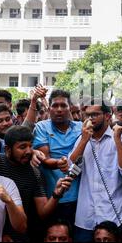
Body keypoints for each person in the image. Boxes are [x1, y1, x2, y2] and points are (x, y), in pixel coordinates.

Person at [68, 98, 122, 242]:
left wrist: (117, 139)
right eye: (87, 115)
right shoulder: (82, 139)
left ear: (107, 115)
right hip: (85, 218)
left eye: (94, 114)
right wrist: (84, 140)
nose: (90, 118)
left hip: (111, 216)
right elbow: (71, 167)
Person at [0, 126, 73, 242]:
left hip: (19, 234)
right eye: (22, 147)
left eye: (30, 146)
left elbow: (42, 212)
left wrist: (56, 194)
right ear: (8, 149)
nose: (28, 151)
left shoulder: (35, 173)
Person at [32, 89, 82, 225]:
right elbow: (45, 159)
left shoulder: (81, 128)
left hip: (78, 197)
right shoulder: (41, 127)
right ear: (49, 108)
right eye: (55, 105)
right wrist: (59, 163)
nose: (59, 109)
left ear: (70, 108)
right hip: (52, 197)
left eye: (63, 105)